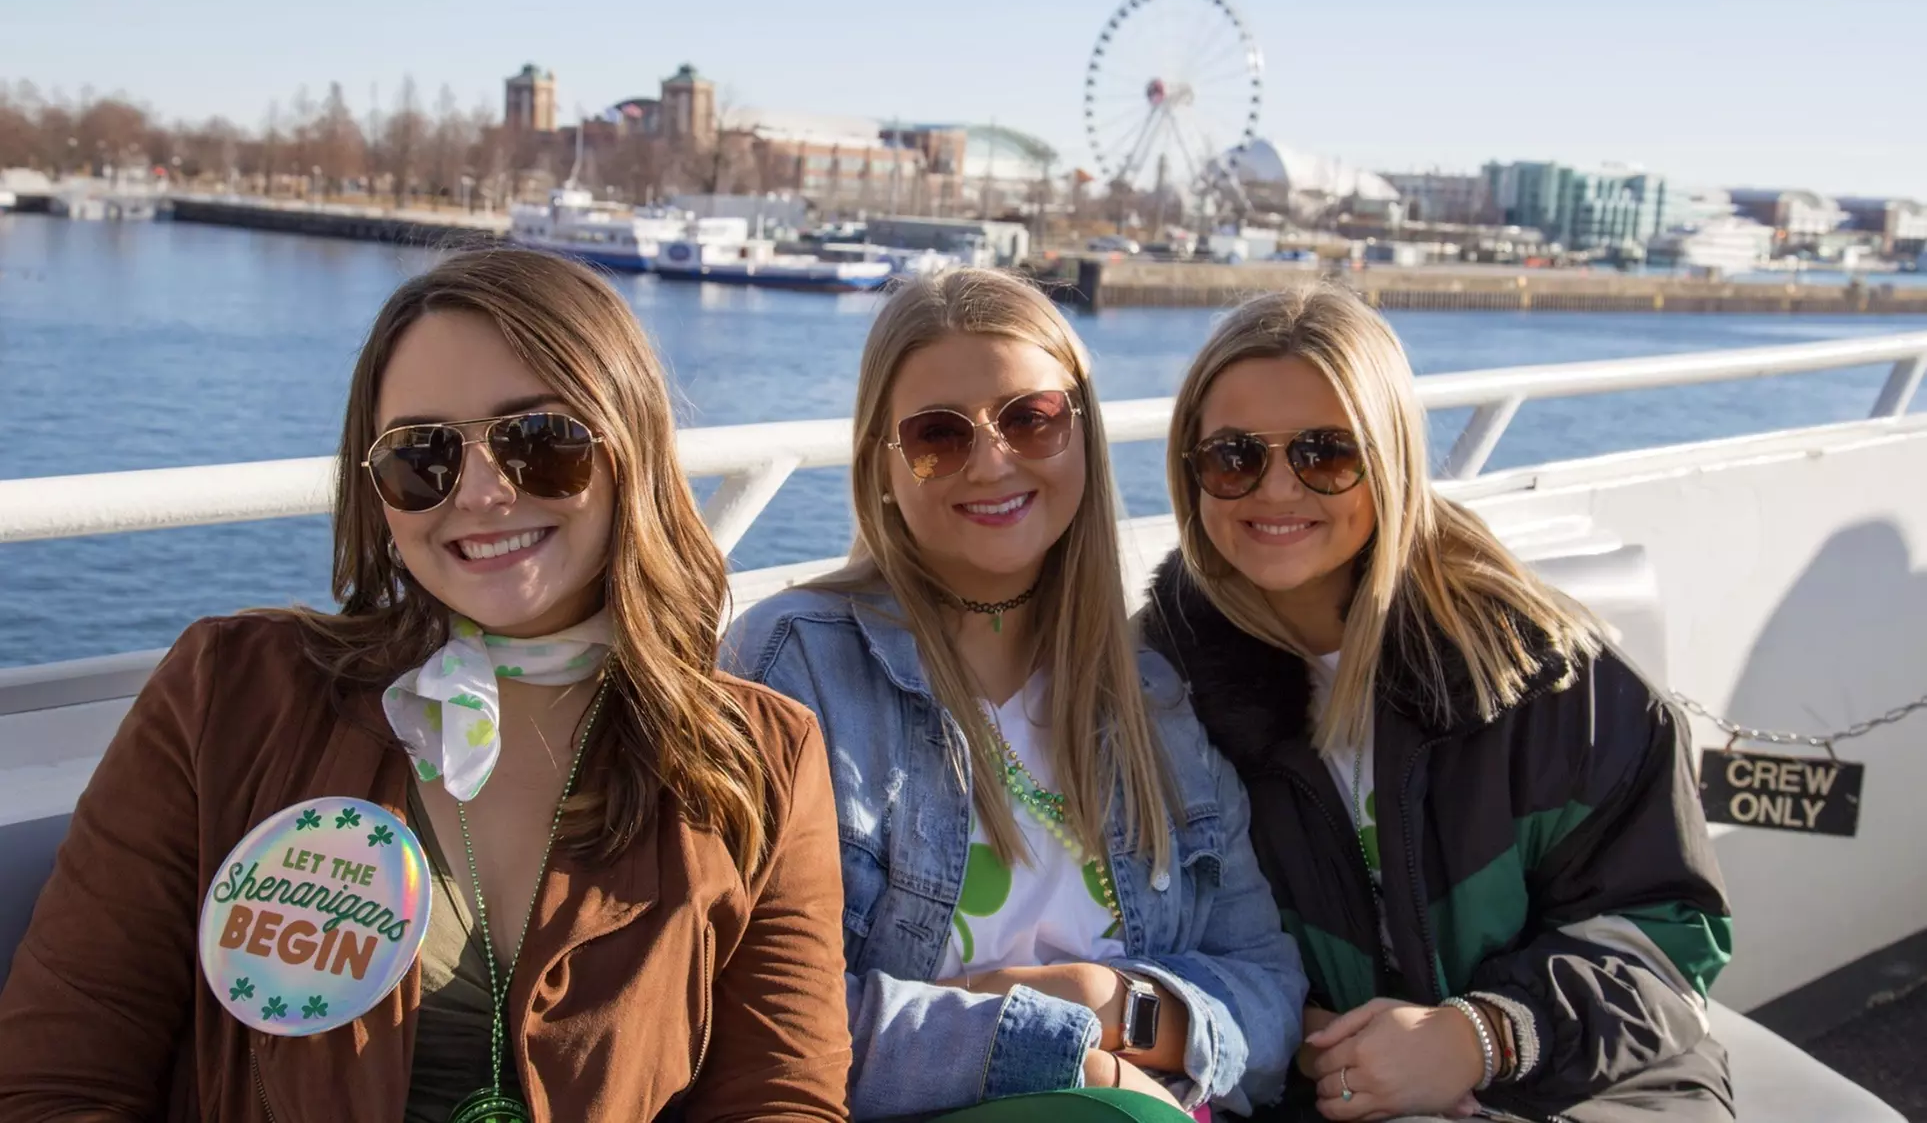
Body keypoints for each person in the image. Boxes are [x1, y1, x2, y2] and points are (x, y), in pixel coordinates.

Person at [0, 248, 851, 1122]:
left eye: (539, 441)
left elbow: (779, 1096)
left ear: (628, 445)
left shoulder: (758, 757)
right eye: (422, 455)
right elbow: (60, 1076)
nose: (481, 492)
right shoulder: (230, 695)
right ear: (377, 491)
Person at [1141, 283, 1735, 1123]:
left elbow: (1664, 937)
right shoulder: (1157, 699)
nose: (1275, 490)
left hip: (1585, 1075)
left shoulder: (1549, 677)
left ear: (1389, 462)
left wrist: (1479, 1037)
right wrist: (1293, 1036)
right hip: (1311, 1092)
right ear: (1190, 473)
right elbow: (1148, 935)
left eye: (1325, 454)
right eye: (1234, 457)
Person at [726, 268, 1306, 1123]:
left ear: (1082, 437)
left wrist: (1112, 1002)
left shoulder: (1154, 698)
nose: (991, 460)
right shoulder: (794, 667)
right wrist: (1060, 1050)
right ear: (882, 465)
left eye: (1030, 420)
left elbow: (1267, 987)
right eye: (937, 435)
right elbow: (759, 1017)